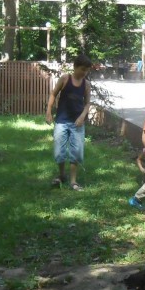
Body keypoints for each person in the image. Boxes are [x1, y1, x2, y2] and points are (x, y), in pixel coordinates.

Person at [45, 54, 93, 191]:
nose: (84, 72)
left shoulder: (86, 85)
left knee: (76, 151)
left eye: (87, 70)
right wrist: (49, 111)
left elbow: (88, 103)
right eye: (82, 69)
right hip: (61, 121)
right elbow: (53, 93)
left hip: (77, 123)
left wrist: (82, 116)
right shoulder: (65, 79)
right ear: (75, 67)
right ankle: (61, 175)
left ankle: (73, 181)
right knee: (59, 152)